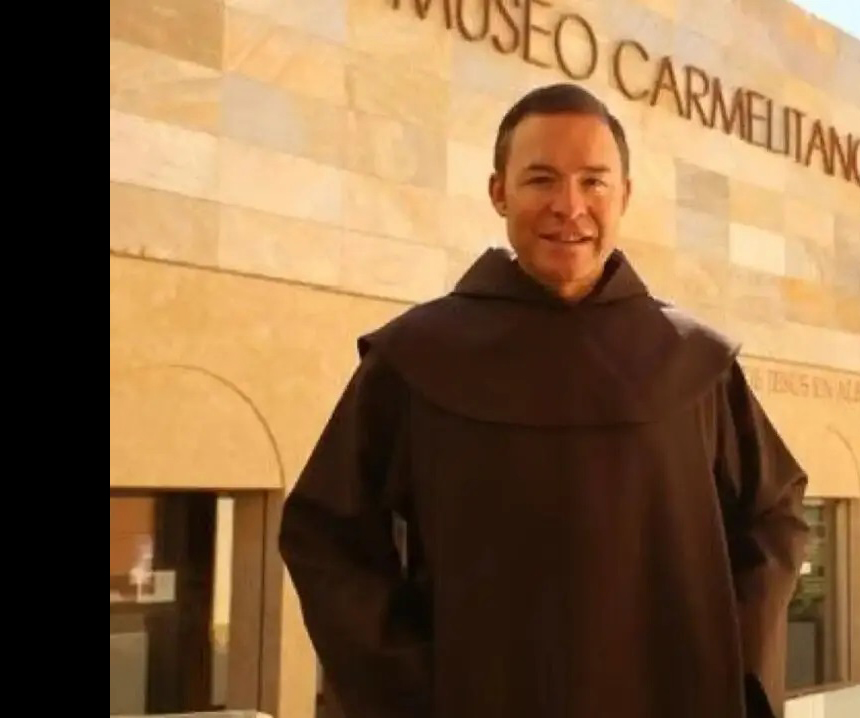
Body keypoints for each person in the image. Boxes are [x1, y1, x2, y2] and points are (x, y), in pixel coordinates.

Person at [278, 82, 811, 718]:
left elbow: (775, 513)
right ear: (498, 192)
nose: (569, 206)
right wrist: (410, 686)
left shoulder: (695, 363)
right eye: (541, 180)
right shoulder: (416, 358)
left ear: (624, 195)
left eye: (593, 182)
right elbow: (326, 536)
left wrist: (724, 658)